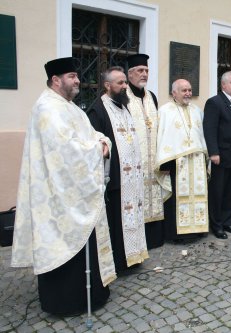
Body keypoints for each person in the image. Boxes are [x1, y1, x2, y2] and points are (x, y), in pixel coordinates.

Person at [11, 57, 116, 316]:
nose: (77, 80)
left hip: (74, 190)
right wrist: (98, 149)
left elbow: (91, 135)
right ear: (56, 80)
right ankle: (66, 301)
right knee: (64, 243)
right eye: (71, 76)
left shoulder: (69, 107)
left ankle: (92, 292)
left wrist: (102, 143)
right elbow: (66, 151)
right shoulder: (47, 109)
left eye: (76, 75)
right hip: (58, 195)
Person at [87, 66, 149, 273]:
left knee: (132, 217)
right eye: (120, 83)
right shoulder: (98, 110)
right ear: (107, 85)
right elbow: (96, 146)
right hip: (114, 180)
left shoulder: (123, 106)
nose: (124, 86)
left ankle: (134, 256)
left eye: (125, 82)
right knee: (117, 221)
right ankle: (119, 263)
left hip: (132, 179)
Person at [156, 79, 209, 240]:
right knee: (176, 200)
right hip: (177, 163)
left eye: (189, 90)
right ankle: (176, 234)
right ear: (174, 93)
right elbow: (162, 137)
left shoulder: (197, 111)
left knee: (198, 195)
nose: (188, 93)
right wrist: (165, 162)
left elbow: (201, 136)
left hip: (197, 162)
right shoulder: (165, 111)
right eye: (184, 90)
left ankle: (197, 230)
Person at [126, 54, 165, 249]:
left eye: (147, 71)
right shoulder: (124, 96)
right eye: (140, 71)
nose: (144, 74)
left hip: (153, 160)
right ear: (130, 74)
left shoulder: (152, 97)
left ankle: (155, 239)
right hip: (135, 161)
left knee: (154, 196)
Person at [203, 71, 231, 239]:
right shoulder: (214, 102)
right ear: (223, 85)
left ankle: (228, 221)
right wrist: (213, 152)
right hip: (220, 156)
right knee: (217, 192)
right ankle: (217, 225)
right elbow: (210, 128)